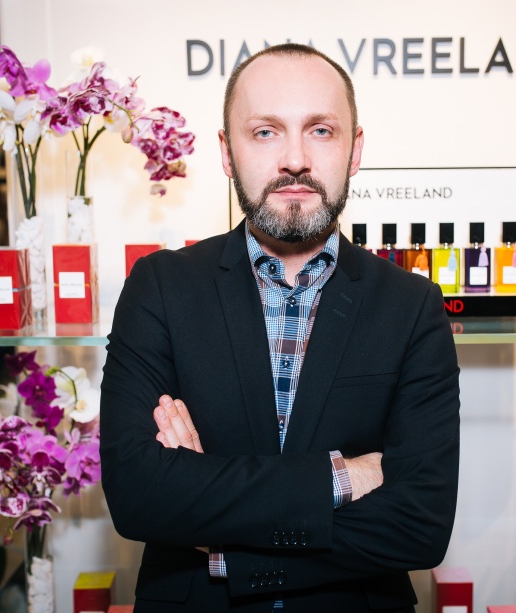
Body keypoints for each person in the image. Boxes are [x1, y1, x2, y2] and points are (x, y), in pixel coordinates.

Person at [100, 43, 461, 613]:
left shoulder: (412, 306)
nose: (295, 159)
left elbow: (419, 527)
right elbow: (139, 496)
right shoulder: (161, 287)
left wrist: (222, 538)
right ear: (227, 151)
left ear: (355, 149)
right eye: (265, 132)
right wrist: (341, 479)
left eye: (321, 130)